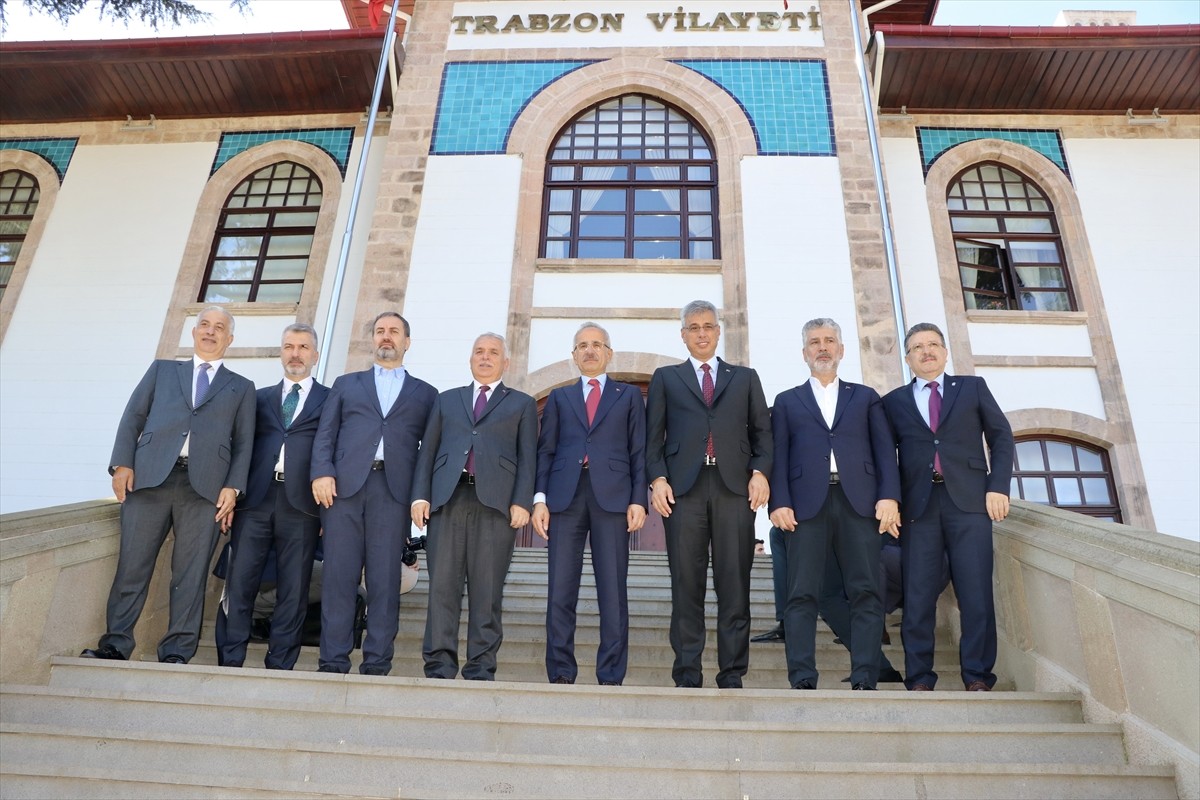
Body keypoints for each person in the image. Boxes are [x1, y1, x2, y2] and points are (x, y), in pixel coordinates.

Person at [82, 306, 255, 664]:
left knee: (190, 577)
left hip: (205, 490)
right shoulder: (162, 371)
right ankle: (115, 644)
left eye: (219, 327)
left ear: (230, 339)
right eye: (204, 325)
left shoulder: (242, 387)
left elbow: (244, 443)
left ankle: (177, 651)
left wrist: (233, 488)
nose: (210, 331)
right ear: (193, 332)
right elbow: (133, 416)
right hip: (149, 481)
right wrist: (122, 464)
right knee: (132, 566)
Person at [768, 318, 901, 690]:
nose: (822, 347)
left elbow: (884, 452)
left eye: (829, 341)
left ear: (841, 350)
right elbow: (777, 456)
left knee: (865, 590)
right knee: (802, 593)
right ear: (804, 353)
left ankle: (865, 676)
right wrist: (779, 502)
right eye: (814, 342)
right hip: (805, 508)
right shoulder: (787, 401)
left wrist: (889, 496)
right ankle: (803, 678)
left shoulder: (866, 397)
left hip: (859, 504)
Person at [646, 300, 773, 689]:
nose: (701, 333)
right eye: (693, 327)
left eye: (708, 326)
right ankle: (687, 672)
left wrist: (761, 473)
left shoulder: (745, 377)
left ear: (719, 332)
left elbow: (763, 434)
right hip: (683, 490)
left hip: (734, 488)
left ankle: (732, 672)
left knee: (734, 584)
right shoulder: (666, 378)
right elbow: (652, 439)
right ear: (683, 335)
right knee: (687, 584)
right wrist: (657, 479)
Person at [882, 322, 1014, 692]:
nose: (927, 351)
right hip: (918, 508)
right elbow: (883, 456)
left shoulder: (972, 388)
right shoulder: (893, 402)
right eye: (918, 347)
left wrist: (998, 486)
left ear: (944, 352)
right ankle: (920, 678)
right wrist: (890, 499)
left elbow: (1001, 436)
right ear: (908, 358)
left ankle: (977, 676)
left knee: (976, 595)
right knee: (918, 596)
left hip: (971, 504)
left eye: (933, 345)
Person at [311, 311, 437, 676]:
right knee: (339, 577)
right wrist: (321, 472)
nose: (386, 337)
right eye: (380, 330)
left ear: (406, 342)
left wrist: (420, 495)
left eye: (394, 332)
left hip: (393, 493)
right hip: (344, 491)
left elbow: (428, 451)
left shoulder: (425, 394)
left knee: (385, 581)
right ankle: (333, 661)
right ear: (372, 340)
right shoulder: (346, 384)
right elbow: (326, 434)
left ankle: (377, 663)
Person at [412, 333, 538, 681]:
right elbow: (428, 452)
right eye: (479, 352)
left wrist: (521, 501)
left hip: (496, 506)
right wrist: (420, 496)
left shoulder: (523, 404)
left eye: (493, 352)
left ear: (505, 363)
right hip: (447, 500)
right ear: (470, 359)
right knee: (442, 587)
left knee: (488, 588)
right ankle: (439, 663)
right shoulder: (446, 400)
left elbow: (529, 458)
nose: (485, 357)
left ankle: (481, 665)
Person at [532, 323, 647, 686]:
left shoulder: (628, 396)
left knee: (612, 591)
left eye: (597, 345)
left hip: (612, 498)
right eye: (582, 345)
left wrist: (638, 499)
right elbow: (545, 451)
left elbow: (638, 450)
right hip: (564, 498)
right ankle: (561, 671)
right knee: (560, 590)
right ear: (573, 355)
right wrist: (539, 500)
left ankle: (611, 674)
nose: (590, 351)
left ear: (609, 353)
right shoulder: (560, 398)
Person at [217, 323, 328, 670]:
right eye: (289, 346)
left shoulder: (330, 399)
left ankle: (280, 662)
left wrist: (328, 512)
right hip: (256, 501)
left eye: (303, 347)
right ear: (281, 352)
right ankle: (231, 658)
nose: (295, 353)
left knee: (294, 590)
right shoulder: (258, 397)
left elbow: (333, 452)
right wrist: (233, 492)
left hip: (303, 507)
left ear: (315, 354)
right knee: (241, 583)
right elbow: (241, 447)